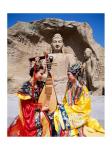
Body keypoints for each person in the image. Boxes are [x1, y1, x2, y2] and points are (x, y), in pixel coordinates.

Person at [54, 64, 104, 136]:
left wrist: (71, 108)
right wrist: (64, 106)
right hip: (70, 109)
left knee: (60, 116)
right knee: (57, 113)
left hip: (79, 112)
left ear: (75, 75)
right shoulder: (69, 85)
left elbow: (84, 106)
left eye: (69, 75)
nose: (68, 77)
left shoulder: (82, 88)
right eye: (67, 75)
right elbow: (65, 99)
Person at [8, 63, 52, 136]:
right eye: (41, 73)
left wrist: (49, 70)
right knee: (44, 117)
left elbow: (49, 83)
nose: (42, 75)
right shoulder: (26, 86)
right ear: (34, 73)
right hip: (29, 114)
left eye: (43, 73)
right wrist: (41, 108)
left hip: (37, 109)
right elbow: (26, 107)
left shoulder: (40, 84)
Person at [47, 33, 77, 104]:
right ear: (51, 44)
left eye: (59, 42)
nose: (57, 44)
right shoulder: (48, 56)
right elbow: (44, 72)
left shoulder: (69, 56)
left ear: (63, 44)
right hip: (51, 85)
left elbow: (75, 71)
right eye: (55, 42)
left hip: (65, 84)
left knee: (66, 105)